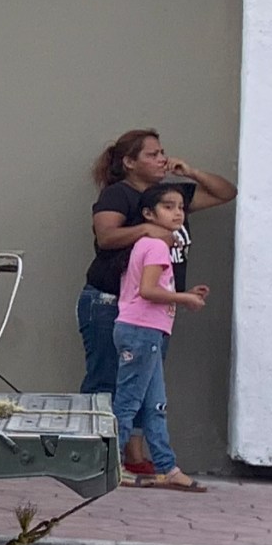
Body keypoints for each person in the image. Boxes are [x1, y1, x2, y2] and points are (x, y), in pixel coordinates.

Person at [77, 129, 233, 397]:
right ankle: (100, 441)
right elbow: (106, 237)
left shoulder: (170, 198)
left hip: (154, 309)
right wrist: (146, 230)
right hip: (110, 302)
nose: (162, 158)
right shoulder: (118, 195)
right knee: (106, 386)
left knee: (143, 389)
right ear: (129, 162)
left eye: (162, 153)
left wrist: (192, 172)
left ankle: (133, 441)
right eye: (152, 154)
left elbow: (226, 193)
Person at [113, 183, 209, 491]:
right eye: (168, 207)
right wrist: (185, 299)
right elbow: (148, 290)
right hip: (141, 330)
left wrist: (181, 294)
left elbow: (151, 287)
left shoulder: (148, 245)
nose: (177, 212)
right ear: (148, 214)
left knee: (155, 403)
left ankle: (166, 467)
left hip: (145, 330)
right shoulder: (155, 246)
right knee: (128, 403)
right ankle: (111, 465)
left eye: (180, 207)